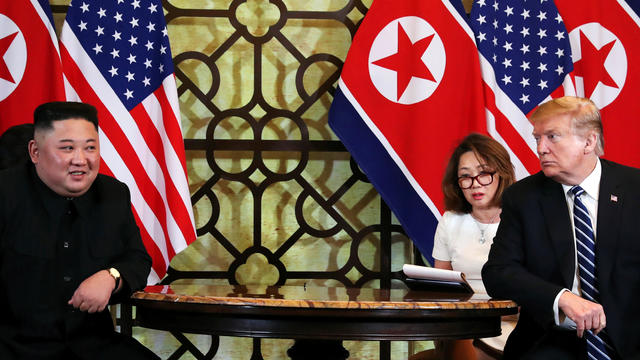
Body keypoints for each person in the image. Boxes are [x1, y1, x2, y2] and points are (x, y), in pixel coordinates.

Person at [482, 96, 640, 359]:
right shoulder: (523, 198)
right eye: (537, 138)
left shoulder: (635, 190)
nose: (541, 148)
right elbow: (498, 273)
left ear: (589, 141)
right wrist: (561, 298)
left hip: (630, 342)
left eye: (552, 137)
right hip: (551, 343)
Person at [0, 102, 158, 359]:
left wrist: (111, 276)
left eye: (90, 148)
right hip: (16, 346)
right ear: (35, 152)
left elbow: (137, 259)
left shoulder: (113, 194)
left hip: (92, 345)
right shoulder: (6, 194)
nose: (81, 160)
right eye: (67, 148)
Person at [431, 133, 516, 359]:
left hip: (512, 321)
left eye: (484, 173)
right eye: (465, 177)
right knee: (460, 336)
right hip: (463, 322)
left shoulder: (522, 219)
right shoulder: (450, 221)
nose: (475, 184)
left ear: (502, 173)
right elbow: (441, 289)